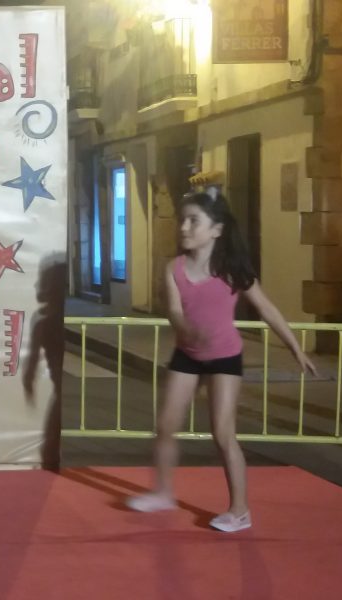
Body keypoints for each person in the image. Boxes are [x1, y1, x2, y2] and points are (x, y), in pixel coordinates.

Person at [126, 191, 316, 532]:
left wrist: (295, 348)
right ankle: (163, 493)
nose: (184, 227)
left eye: (193, 221)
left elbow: (266, 308)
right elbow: (174, 311)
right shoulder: (174, 268)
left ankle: (240, 511)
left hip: (225, 357)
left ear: (216, 229)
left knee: (223, 433)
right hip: (187, 354)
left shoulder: (231, 271)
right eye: (183, 220)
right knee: (166, 425)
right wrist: (187, 330)